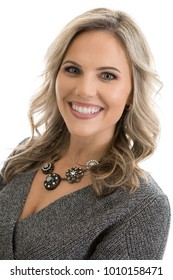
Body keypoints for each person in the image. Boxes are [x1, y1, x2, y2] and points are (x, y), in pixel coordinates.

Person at [0, 8, 171, 260]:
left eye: (107, 75)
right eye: (73, 70)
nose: (84, 90)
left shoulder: (142, 206)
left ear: (133, 92)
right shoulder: (26, 155)